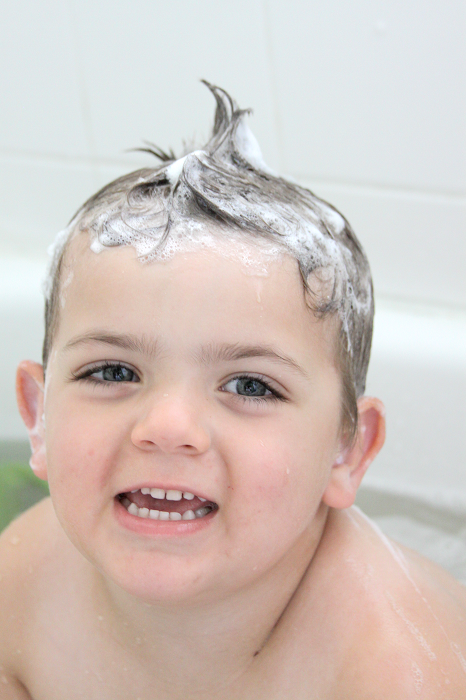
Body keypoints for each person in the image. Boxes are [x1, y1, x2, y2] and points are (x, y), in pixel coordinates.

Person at [1, 83, 465, 699]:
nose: (167, 426)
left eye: (250, 385)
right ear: (38, 417)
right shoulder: (23, 580)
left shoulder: (393, 671)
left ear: (347, 452)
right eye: (113, 372)